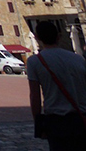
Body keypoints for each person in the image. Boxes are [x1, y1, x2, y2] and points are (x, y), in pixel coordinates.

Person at [27, 21, 86, 151]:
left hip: (56, 120)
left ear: (37, 38)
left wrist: (38, 123)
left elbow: (34, 96)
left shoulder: (34, 61)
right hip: (81, 118)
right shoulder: (79, 59)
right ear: (58, 37)